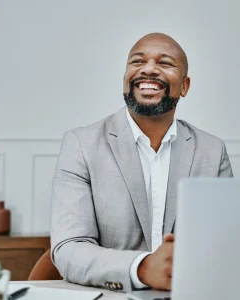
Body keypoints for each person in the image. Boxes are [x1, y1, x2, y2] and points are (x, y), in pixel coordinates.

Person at [50, 33, 233, 292]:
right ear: (126, 79)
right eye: (137, 62)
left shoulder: (212, 151)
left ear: (184, 86)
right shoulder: (81, 144)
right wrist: (143, 267)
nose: (148, 69)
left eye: (165, 63)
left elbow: (226, 244)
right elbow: (68, 249)